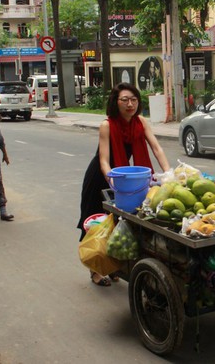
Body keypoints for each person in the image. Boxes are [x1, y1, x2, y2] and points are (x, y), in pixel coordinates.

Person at [77, 82, 170, 286]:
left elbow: (156, 148)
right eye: (125, 100)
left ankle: (112, 264)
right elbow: (103, 159)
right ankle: (96, 270)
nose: (130, 104)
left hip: (127, 177)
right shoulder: (107, 125)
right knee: (98, 223)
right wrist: (112, 178)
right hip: (102, 176)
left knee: (121, 223)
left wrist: (169, 173)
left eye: (134, 99)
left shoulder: (141, 122)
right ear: (116, 102)